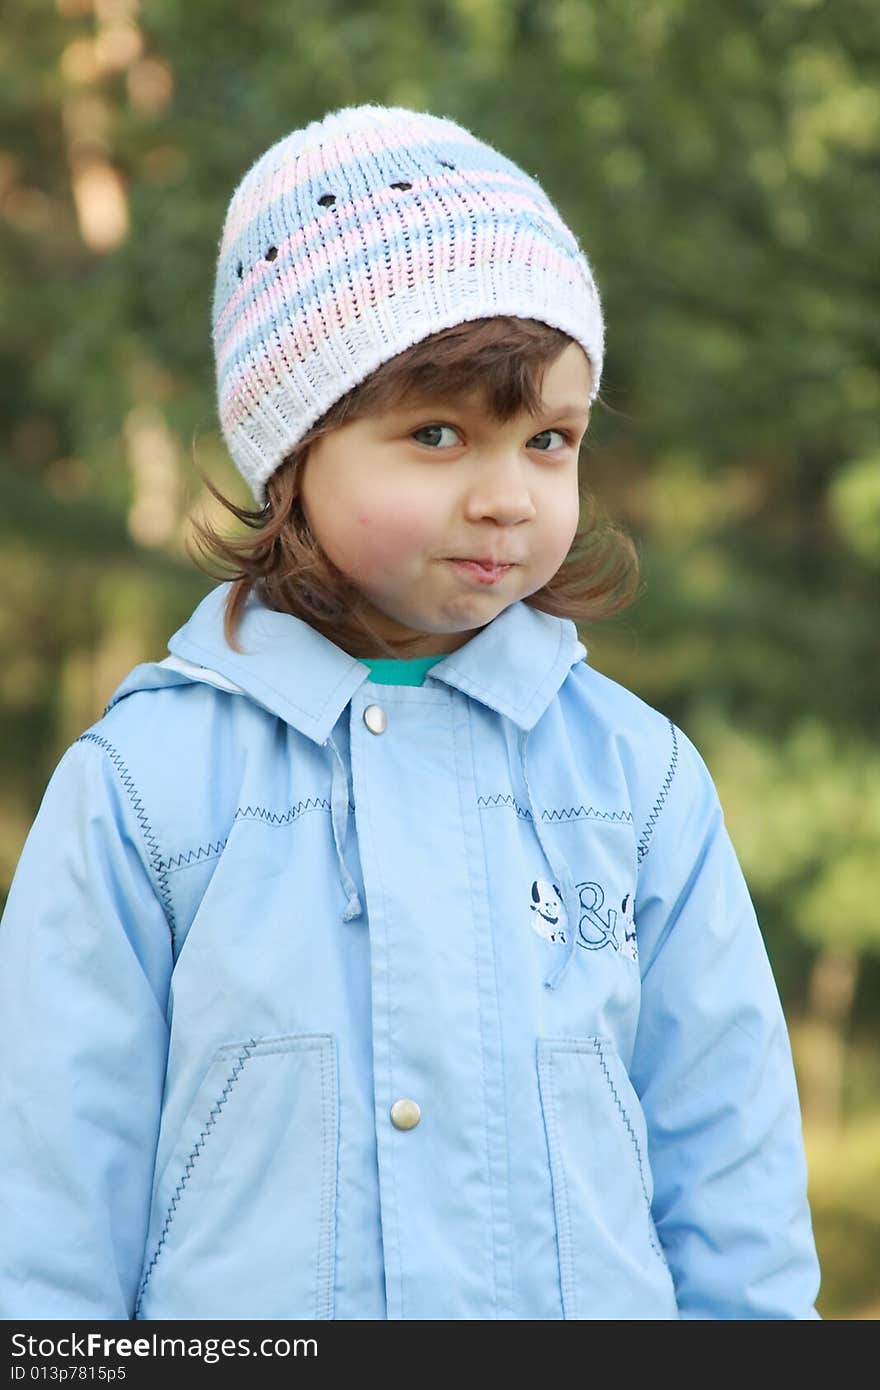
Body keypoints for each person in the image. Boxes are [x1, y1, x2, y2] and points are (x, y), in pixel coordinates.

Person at [0, 103, 821, 1321]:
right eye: (437, 433)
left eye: (548, 438)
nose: (506, 496)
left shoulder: (636, 781)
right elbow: (49, 1198)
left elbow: (730, 1171)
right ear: (294, 453)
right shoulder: (145, 786)